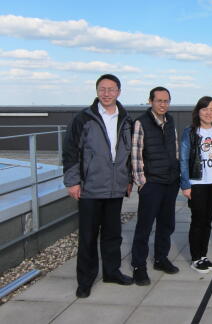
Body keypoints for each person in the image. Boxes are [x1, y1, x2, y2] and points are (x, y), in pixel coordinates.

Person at [63, 74, 133, 298]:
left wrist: (129, 179)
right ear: (96, 91)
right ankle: (85, 280)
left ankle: (112, 272)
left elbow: (129, 152)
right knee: (88, 236)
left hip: (115, 187)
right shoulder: (84, 118)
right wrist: (73, 181)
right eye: (102, 89)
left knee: (113, 234)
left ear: (119, 92)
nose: (106, 93)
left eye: (111, 89)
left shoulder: (126, 118)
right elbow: (70, 152)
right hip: (90, 188)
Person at [130, 87, 180, 286]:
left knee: (166, 224)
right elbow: (135, 154)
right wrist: (142, 183)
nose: (163, 104)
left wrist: (176, 173)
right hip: (152, 183)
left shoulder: (170, 121)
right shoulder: (141, 122)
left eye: (166, 101)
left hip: (170, 182)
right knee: (145, 226)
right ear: (150, 101)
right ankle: (138, 266)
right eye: (159, 100)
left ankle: (160, 258)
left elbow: (175, 148)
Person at [180, 96, 212, 274]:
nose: (209, 113)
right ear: (198, 111)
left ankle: (203, 255)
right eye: (205, 109)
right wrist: (186, 184)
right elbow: (184, 159)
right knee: (198, 220)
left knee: (207, 221)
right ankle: (195, 258)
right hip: (197, 182)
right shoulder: (191, 132)